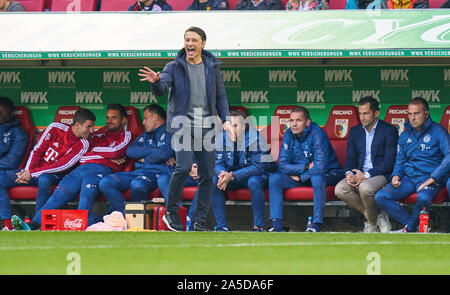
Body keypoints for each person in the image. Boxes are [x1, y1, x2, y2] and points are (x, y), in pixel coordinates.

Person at [138, 26, 235, 232]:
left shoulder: (212, 67)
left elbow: (221, 96)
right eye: (187, 40)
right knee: (183, 167)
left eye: (194, 40)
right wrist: (155, 82)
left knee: (207, 175)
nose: (190, 44)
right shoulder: (173, 66)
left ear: (203, 44)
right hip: (182, 125)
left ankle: (199, 221)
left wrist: (225, 120)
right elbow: (162, 88)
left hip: (206, 127)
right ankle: (171, 214)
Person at [28, 104, 132, 230]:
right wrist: (106, 154)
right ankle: (33, 226)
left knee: (85, 198)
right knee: (58, 195)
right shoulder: (96, 134)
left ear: (123, 120)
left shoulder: (126, 135)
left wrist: (96, 151)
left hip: (100, 171)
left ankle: (82, 229)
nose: (109, 121)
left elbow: (116, 152)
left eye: (114, 118)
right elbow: (84, 153)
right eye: (107, 117)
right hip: (81, 169)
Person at [0, 108, 95, 230]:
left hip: (57, 175)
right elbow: (37, 151)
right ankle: (8, 225)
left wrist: (31, 173)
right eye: (89, 127)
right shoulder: (55, 127)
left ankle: (38, 224)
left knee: (44, 179)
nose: (92, 130)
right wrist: (27, 171)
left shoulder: (83, 143)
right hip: (33, 172)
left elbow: (62, 165)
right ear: (77, 125)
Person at [375, 97, 450, 233]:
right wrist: (396, 175)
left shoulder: (438, 131)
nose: (412, 117)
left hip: (430, 178)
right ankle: (413, 226)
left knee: (423, 198)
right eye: (409, 114)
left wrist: (433, 178)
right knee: (380, 196)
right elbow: (400, 160)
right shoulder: (405, 135)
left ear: (426, 114)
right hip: (409, 178)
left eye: (416, 113)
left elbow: (449, 156)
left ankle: (408, 229)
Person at [268, 106, 344, 232]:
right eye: (291, 121)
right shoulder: (288, 134)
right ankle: (276, 226)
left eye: (298, 120)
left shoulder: (317, 134)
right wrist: (303, 168)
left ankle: (316, 225)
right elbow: (282, 164)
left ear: (307, 122)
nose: (294, 124)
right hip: (302, 175)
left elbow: (320, 167)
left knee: (317, 178)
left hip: (329, 173)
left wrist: (300, 177)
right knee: (275, 178)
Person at [334, 96, 399, 233]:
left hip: (381, 174)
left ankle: (370, 223)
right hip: (359, 174)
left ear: (376, 113)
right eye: (360, 113)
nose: (362, 117)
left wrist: (367, 175)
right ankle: (377, 217)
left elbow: (389, 162)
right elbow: (350, 158)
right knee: (340, 189)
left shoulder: (389, 130)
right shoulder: (355, 131)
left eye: (366, 113)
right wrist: (350, 174)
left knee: (365, 187)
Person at [207, 109, 275, 231]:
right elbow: (217, 162)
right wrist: (222, 173)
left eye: (235, 126)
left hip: (255, 176)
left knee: (253, 182)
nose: (231, 129)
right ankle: (222, 226)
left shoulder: (256, 138)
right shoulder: (222, 138)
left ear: (244, 126)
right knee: (213, 180)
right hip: (232, 177)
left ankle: (258, 226)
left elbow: (259, 167)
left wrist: (232, 175)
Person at [99, 104, 174, 214]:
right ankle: (126, 216)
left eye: (146, 119)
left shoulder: (170, 132)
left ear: (155, 117)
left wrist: (144, 159)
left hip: (157, 173)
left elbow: (164, 153)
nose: (143, 122)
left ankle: (138, 219)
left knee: (137, 184)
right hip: (139, 171)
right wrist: (154, 149)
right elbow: (130, 151)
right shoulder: (146, 134)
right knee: (105, 182)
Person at [0, 97, 29, 230]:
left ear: (11, 113)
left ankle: (8, 225)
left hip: (15, 172)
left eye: (2, 112)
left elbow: (12, 161)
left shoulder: (19, 133)